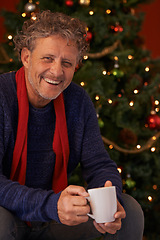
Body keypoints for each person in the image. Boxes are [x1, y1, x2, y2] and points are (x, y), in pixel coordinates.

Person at [0, 10, 144, 240]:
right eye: (47, 58)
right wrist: (52, 204)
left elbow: (98, 164)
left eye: (66, 62)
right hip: (11, 215)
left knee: (129, 211)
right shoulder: (2, 96)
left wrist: (110, 198)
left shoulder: (77, 100)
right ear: (26, 57)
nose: (57, 71)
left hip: (55, 219)